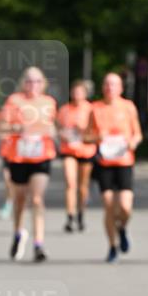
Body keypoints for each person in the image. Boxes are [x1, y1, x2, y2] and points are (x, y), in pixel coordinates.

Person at [84, 73, 142, 262]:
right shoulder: (95, 108)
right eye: (107, 84)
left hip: (125, 162)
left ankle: (122, 228)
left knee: (125, 208)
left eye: (114, 84)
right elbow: (86, 137)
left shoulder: (128, 107)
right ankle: (112, 246)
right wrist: (97, 138)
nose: (110, 88)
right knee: (109, 207)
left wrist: (133, 142)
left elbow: (137, 134)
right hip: (104, 163)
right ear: (103, 88)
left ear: (121, 88)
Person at [1, 67, 57, 261]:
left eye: (38, 81)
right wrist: (16, 128)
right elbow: (2, 127)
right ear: (23, 83)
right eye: (29, 81)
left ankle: (38, 244)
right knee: (20, 200)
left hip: (41, 156)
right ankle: (18, 233)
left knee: (37, 199)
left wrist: (50, 131)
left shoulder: (49, 102)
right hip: (19, 156)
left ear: (43, 84)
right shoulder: (14, 101)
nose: (33, 85)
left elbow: (52, 126)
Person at [57, 80, 96, 231]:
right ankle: (69, 216)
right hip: (69, 150)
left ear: (85, 94)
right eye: (74, 92)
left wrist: (83, 132)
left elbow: (96, 133)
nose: (76, 95)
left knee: (82, 187)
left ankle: (81, 213)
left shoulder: (91, 109)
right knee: (70, 183)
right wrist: (62, 135)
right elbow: (58, 128)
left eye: (80, 92)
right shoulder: (64, 110)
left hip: (86, 150)